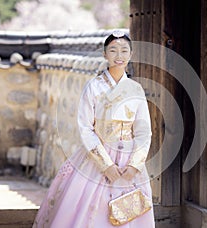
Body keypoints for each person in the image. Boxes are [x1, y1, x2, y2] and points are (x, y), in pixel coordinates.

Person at [33, 30, 155, 227]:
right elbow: (85, 128)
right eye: (113, 50)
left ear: (130, 55)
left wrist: (134, 165)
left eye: (124, 51)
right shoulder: (93, 87)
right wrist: (106, 165)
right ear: (105, 54)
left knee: (130, 213)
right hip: (98, 156)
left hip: (129, 159)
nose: (119, 56)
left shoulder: (135, 89)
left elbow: (143, 131)